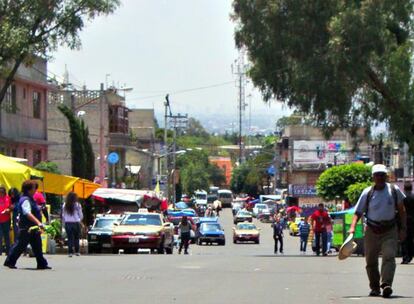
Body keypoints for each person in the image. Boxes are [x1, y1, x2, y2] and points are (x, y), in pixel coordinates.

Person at [349, 164, 406, 298]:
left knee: (389, 256)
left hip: (389, 229)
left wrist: (403, 228)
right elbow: (358, 212)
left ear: (386, 176)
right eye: (377, 175)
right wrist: (352, 227)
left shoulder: (394, 190)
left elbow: (402, 210)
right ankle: (375, 287)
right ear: (373, 177)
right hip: (371, 229)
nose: (380, 177)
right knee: (370, 261)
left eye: (382, 175)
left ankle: (386, 284)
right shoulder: (367, 192)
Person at [4, 180, 50, 269]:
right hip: (26, 227)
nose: (35, 190)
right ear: (29, 190)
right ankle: (10, 262)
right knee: (20, 245)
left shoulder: (31, 199)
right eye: (34, 188)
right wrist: (39, 222)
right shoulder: (25, 200)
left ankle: (42, 264)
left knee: (37, 246)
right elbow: (27, 213)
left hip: (33, 228)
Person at [62, 192, 83, 257]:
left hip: (68, 223)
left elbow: (63, 215)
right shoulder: (77, 205)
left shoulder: (65, 205)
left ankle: (70, 252)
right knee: (76, 238)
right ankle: (77, 252)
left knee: (70, 238)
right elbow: (81, 215)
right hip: (76, 222)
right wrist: (80, 220)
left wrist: (65, 221)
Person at [402, 182, 414, 264]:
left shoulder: (402, 197)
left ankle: (406, 257)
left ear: (404, 188)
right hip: (413, 220)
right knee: (412, 239)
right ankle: (411, 254)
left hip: (405, 220)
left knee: (405, 239)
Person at [0, 186, 11, 256]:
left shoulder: (8, 198)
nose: (1, 193)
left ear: (4, 192)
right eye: (0, 192)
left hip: (6, 220)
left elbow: (11, 206)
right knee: (0, 236)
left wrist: (8, 210)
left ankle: (8, 251)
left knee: (7, 236)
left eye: (2, 192)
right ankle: (0, 251)